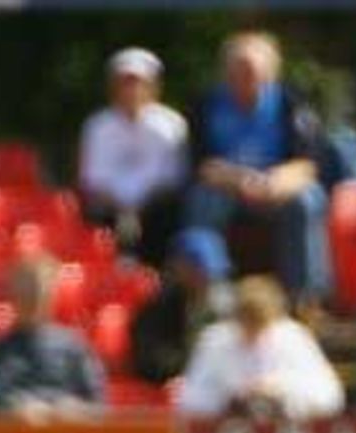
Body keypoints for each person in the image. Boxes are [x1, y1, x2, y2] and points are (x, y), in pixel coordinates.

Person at [182, 31, 331, 314]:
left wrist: (274, 183)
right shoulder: (205, 105)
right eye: (238, 68)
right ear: (226, 71)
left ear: (271, 71)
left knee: (308, 201)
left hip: (278, 185)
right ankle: (211, 294)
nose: (246, 76)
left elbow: (308, 164)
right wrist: (240, 181)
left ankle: (304, 299)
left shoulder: (292, 103)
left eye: (252, 69)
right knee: (201, 202)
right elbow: (200, 165)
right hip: (224, 185)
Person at [177, 274, 344, 419]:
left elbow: (330, 397)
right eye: (247, 322)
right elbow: (188, 400)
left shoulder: (292, 337)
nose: (253, 332)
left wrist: (279, 391)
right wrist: (231, 397)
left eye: (259, 324)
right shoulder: (216, 340)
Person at [78, 47, 188, 266]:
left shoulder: (171, 124)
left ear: (154, 87)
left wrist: (137, 211)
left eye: (138, 83)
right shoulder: (97, 126)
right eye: (125, 83)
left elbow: (173, 179)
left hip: (155, 208)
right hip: (108, 210)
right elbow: (91, 180)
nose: (132, 90)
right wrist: (123, 211)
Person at [0, 258, 106, 419]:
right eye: (27, 288)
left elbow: (97, 404)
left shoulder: (74, 347)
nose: (34, 295)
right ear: (13, 292)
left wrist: (73, 409)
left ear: (53, 293)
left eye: (41, 288)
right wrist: (20, 409)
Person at [130, 227, 235, 385]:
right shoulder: (157, 310)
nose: (206, 279)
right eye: (197, 269)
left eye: (211, 272)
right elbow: (150, 360)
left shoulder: (231, 309)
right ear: (177, 266)